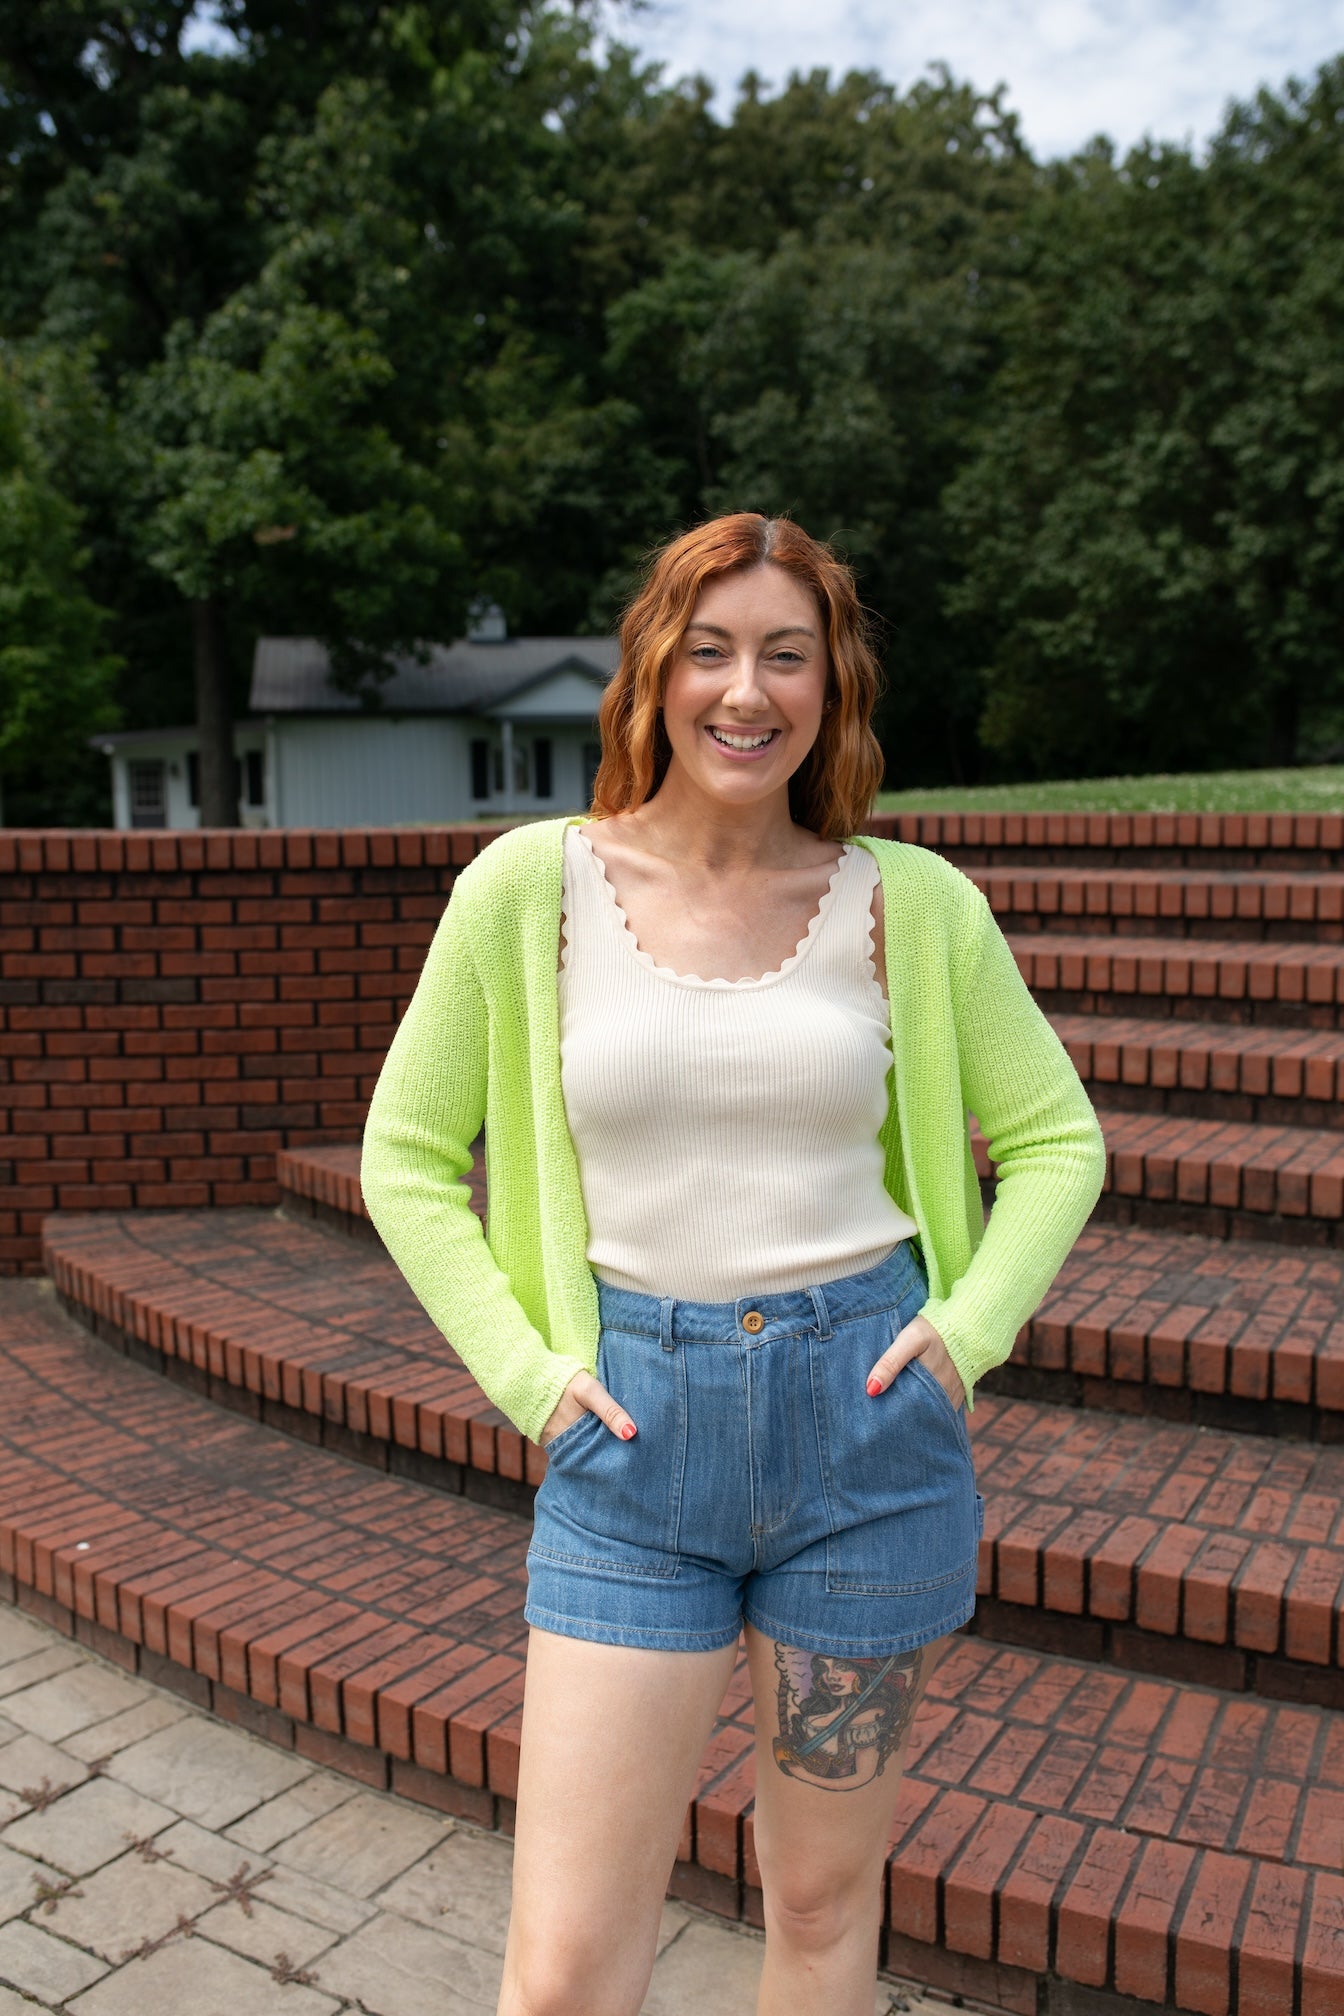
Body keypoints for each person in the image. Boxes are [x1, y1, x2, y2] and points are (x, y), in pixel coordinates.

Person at [361, 513, 1106, 2016]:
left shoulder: (914, 906)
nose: (745, 691)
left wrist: (965, 1337)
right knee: (567, 1966)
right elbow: (405, 1156)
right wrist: (531, 1377)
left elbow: (1055, 1141)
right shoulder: (529, 889)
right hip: (630, 1438)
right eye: (710, 652)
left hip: (867, 1431)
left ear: (833, 686)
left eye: (786, 653)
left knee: (824, 1914)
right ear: (655, 671)